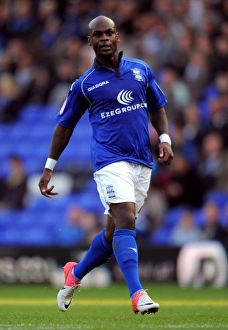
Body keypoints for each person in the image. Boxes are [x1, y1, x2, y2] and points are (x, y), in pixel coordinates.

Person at [38, 16, 174, 315]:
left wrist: (164, 137)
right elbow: (64, 127)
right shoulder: (85, 85)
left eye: (108, 32)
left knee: (114, 233)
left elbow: (157, 105)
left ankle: (74, 274)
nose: (103, 38)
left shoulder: (140, 69)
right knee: (126, 218)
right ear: (90, 41)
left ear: (117, 36)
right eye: (97, 34)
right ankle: (137, 294)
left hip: (142, 161)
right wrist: (49, 166)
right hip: (109, 161)